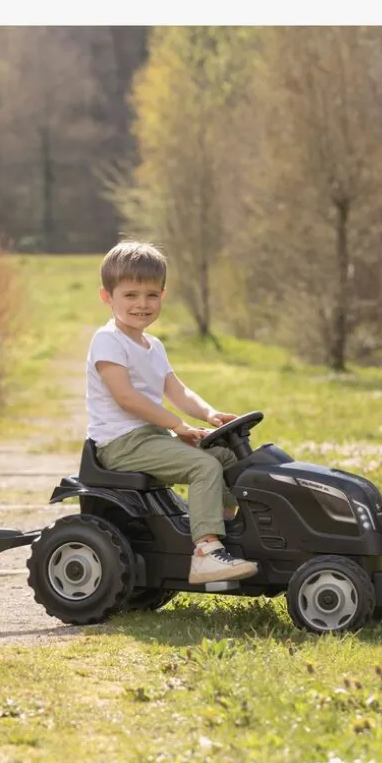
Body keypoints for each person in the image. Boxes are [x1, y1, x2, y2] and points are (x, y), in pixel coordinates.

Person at [86, 240, 258, 584]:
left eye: (151, 295)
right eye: (131, 295)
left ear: (163, 296)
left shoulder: (154, 346)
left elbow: (177, 390)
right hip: (121, 444)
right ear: (107, 297)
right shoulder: (108, 341)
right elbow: (126, 398)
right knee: (203, 465)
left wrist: (210, 414)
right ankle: (206, 554)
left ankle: (223, 532)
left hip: (151, 437)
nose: (142, 304)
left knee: (225, 455)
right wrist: (177, 425)